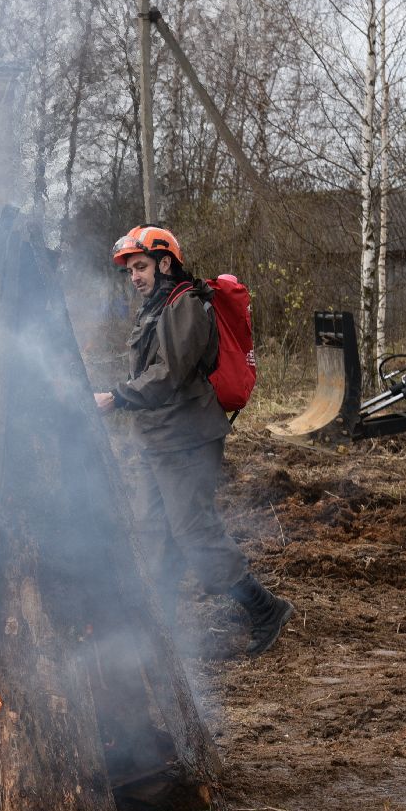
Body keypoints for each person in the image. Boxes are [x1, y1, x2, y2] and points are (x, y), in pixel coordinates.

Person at [93, 224, 292, 656]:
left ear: (166, 264)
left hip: (186, 441)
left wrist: (118, 396)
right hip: (156, 441)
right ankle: (158, 632)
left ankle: (265, 609)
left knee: (194, 533)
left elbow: (169, 374)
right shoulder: (156, 307)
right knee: (152, 533)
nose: (135, 276)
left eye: (142, 267)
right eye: (130, 271)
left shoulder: (185, 306)